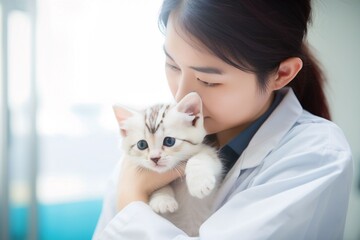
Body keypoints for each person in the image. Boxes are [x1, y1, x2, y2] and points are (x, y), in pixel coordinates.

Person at [93, 0, 353, 239]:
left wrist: (131, 197)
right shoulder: (154, 139)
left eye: (209, 81)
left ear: (282, 74)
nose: (181, 95)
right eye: (172, 65)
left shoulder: (316, 155)